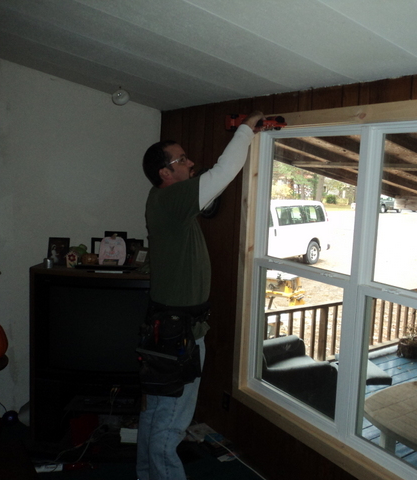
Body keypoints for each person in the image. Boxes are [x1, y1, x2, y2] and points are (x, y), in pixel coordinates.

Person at [137, 111, 268, 480]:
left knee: (156, 412)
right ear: (165, 173)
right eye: (182, 159)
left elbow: (210, 187)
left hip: (168, 328)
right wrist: (246, 130)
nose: (190, 162)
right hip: (179, 335)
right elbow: (224, 172)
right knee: (170, 425)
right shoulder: (171, 199)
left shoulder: (163, 199)